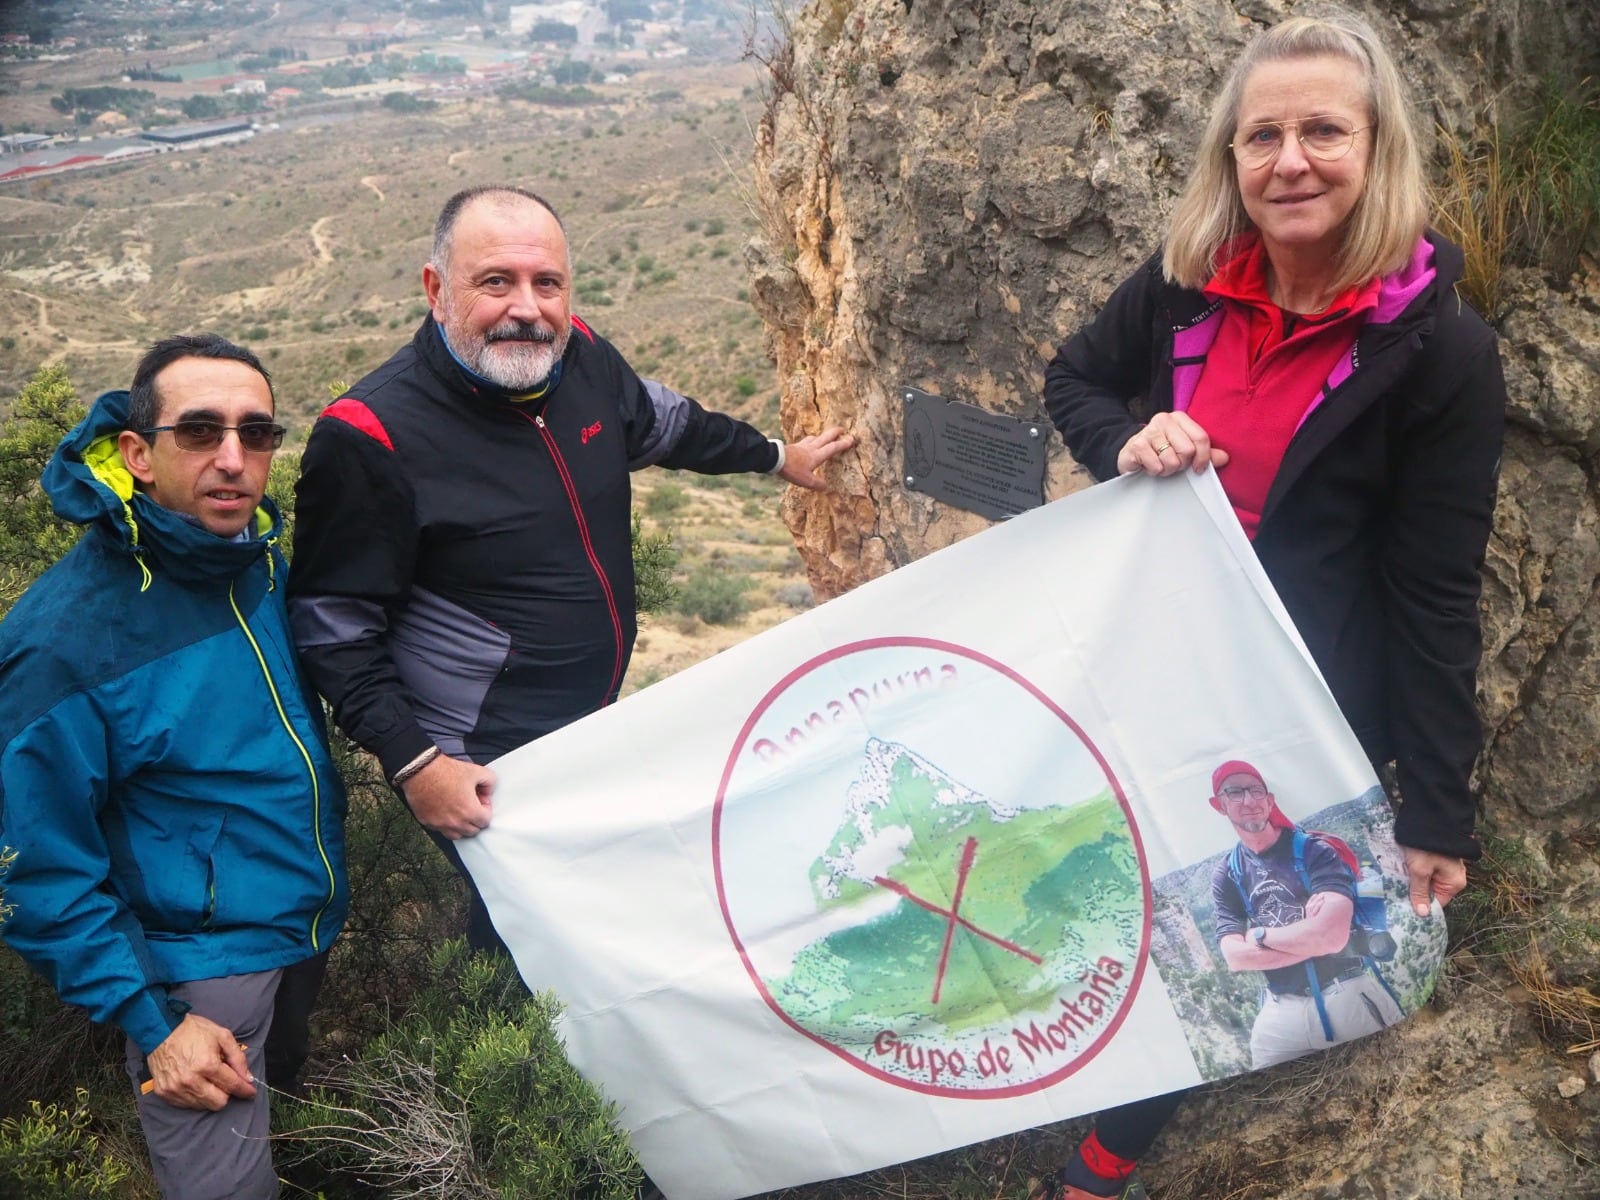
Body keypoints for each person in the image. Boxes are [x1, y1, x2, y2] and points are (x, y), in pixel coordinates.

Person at [1038, 10, 1504, 1198]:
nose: (1289, 160)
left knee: (1223, 906)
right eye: (1262, 137)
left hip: (1291, 694)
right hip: (1143, 654)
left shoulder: (1437, 349)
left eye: (1321, 131)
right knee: (1108, 869)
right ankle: (1047, 1065)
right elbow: (1074, 381)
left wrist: (1437, 807)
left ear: (1375, 147)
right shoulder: (1188, 284)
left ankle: (1108, 1151)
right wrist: (1127, 437)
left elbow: (1435, 587)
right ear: (1229, 159)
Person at [288, 185, 854, 952]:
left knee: (608, 924)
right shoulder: (371, 434)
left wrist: (778, 458)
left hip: (591, 724)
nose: (527, 308)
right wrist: (417, 764)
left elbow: (666, 423)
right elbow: (331, 626)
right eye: (496, 282)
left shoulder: (576, 354)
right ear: (435, 290)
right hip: (483, 758)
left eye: (546, 283)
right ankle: (504, 1063)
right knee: (539, 946)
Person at [0, 334, 349, 1200]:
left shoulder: (254, 561)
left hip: (300, 928)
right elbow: (33, 863)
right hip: (198, 979)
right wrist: (155, 1020)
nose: (233, 459)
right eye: (199, 432)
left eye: (256, 433)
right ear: (138, 454)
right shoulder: (65, 641)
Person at [1206, 759, 1401, 1068]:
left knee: (1387, 1075)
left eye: (1256, 791)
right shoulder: (1228, 873)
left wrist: (1260, 936)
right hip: (1280, 1013)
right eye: (1235, 793)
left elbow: (1332, 937)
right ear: (1219, 805)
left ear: (1269, 801)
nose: (1249, 801)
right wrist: (1310, 938)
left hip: (1346, 995)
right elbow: (1234, 957)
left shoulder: (1314, 851)